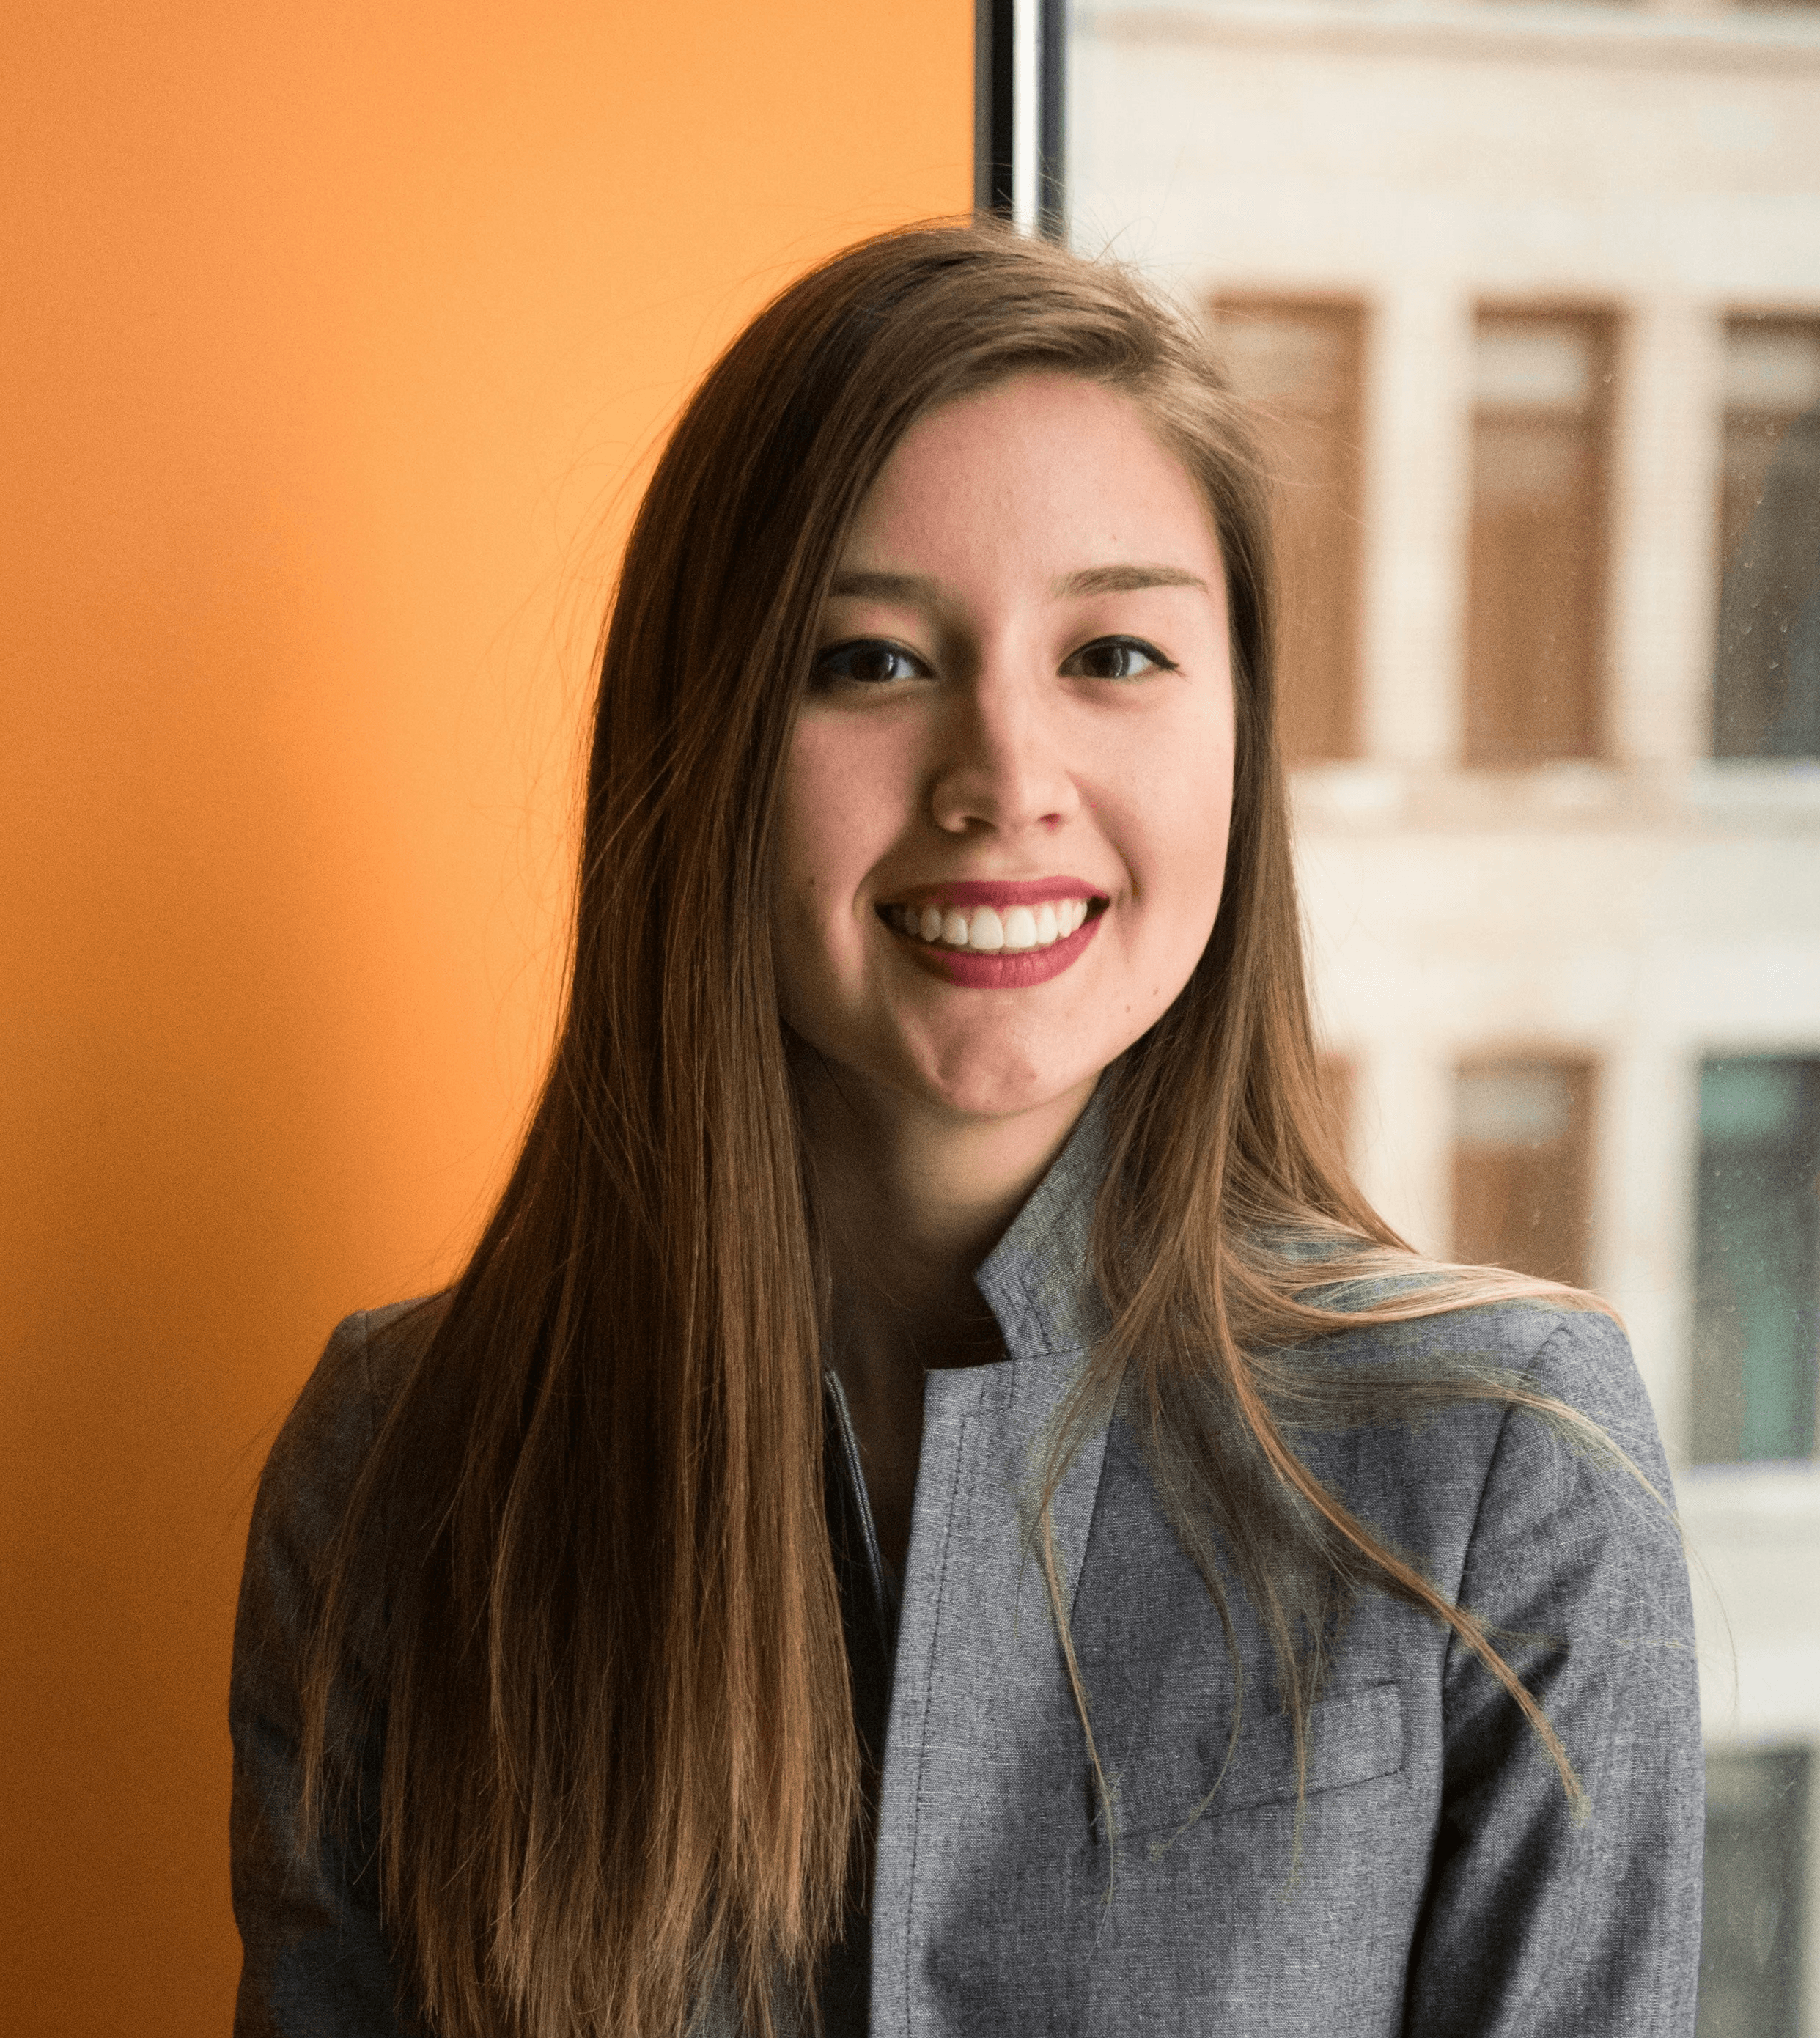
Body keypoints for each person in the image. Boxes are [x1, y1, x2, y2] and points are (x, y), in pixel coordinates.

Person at [229, 221, 1703, 2038]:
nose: (1006, 775)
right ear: (702, 741)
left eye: (1114, 652)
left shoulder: (1503, 1462)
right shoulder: (403, 1470)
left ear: (1239, 730)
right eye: (868, 659)